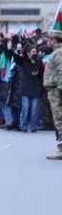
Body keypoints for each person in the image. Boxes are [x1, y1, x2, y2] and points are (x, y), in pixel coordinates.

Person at [43, 30, 62, 159]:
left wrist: (61, 91)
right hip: (54, 90)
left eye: (49, 39)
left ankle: (61, 149)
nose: (48, 41)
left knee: (60, 120)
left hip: (57, 91)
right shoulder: (56, 52)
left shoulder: (59, 53)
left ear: (54, 40)